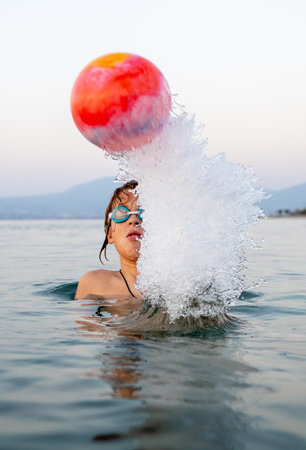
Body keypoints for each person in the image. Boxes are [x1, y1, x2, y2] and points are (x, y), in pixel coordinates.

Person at [75, 180, 144, 301]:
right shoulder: (96, 283)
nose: (133, 220)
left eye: (144, 212)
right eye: (121, 214)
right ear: (110, 235)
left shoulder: (182, 283)